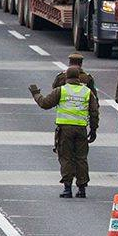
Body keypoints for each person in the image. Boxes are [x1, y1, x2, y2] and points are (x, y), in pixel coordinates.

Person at [29, 66, 99, 198]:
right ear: (78, 77)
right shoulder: (87, 92)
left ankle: (67, 188)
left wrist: (35, 93)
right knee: (81, 159)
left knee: (66, 157)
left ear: (67, 78)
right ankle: (82, 189)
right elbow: (94, 112)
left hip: (65, 130)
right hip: (81, 129)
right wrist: (94, 129)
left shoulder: (61, 91)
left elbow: (45, 104)